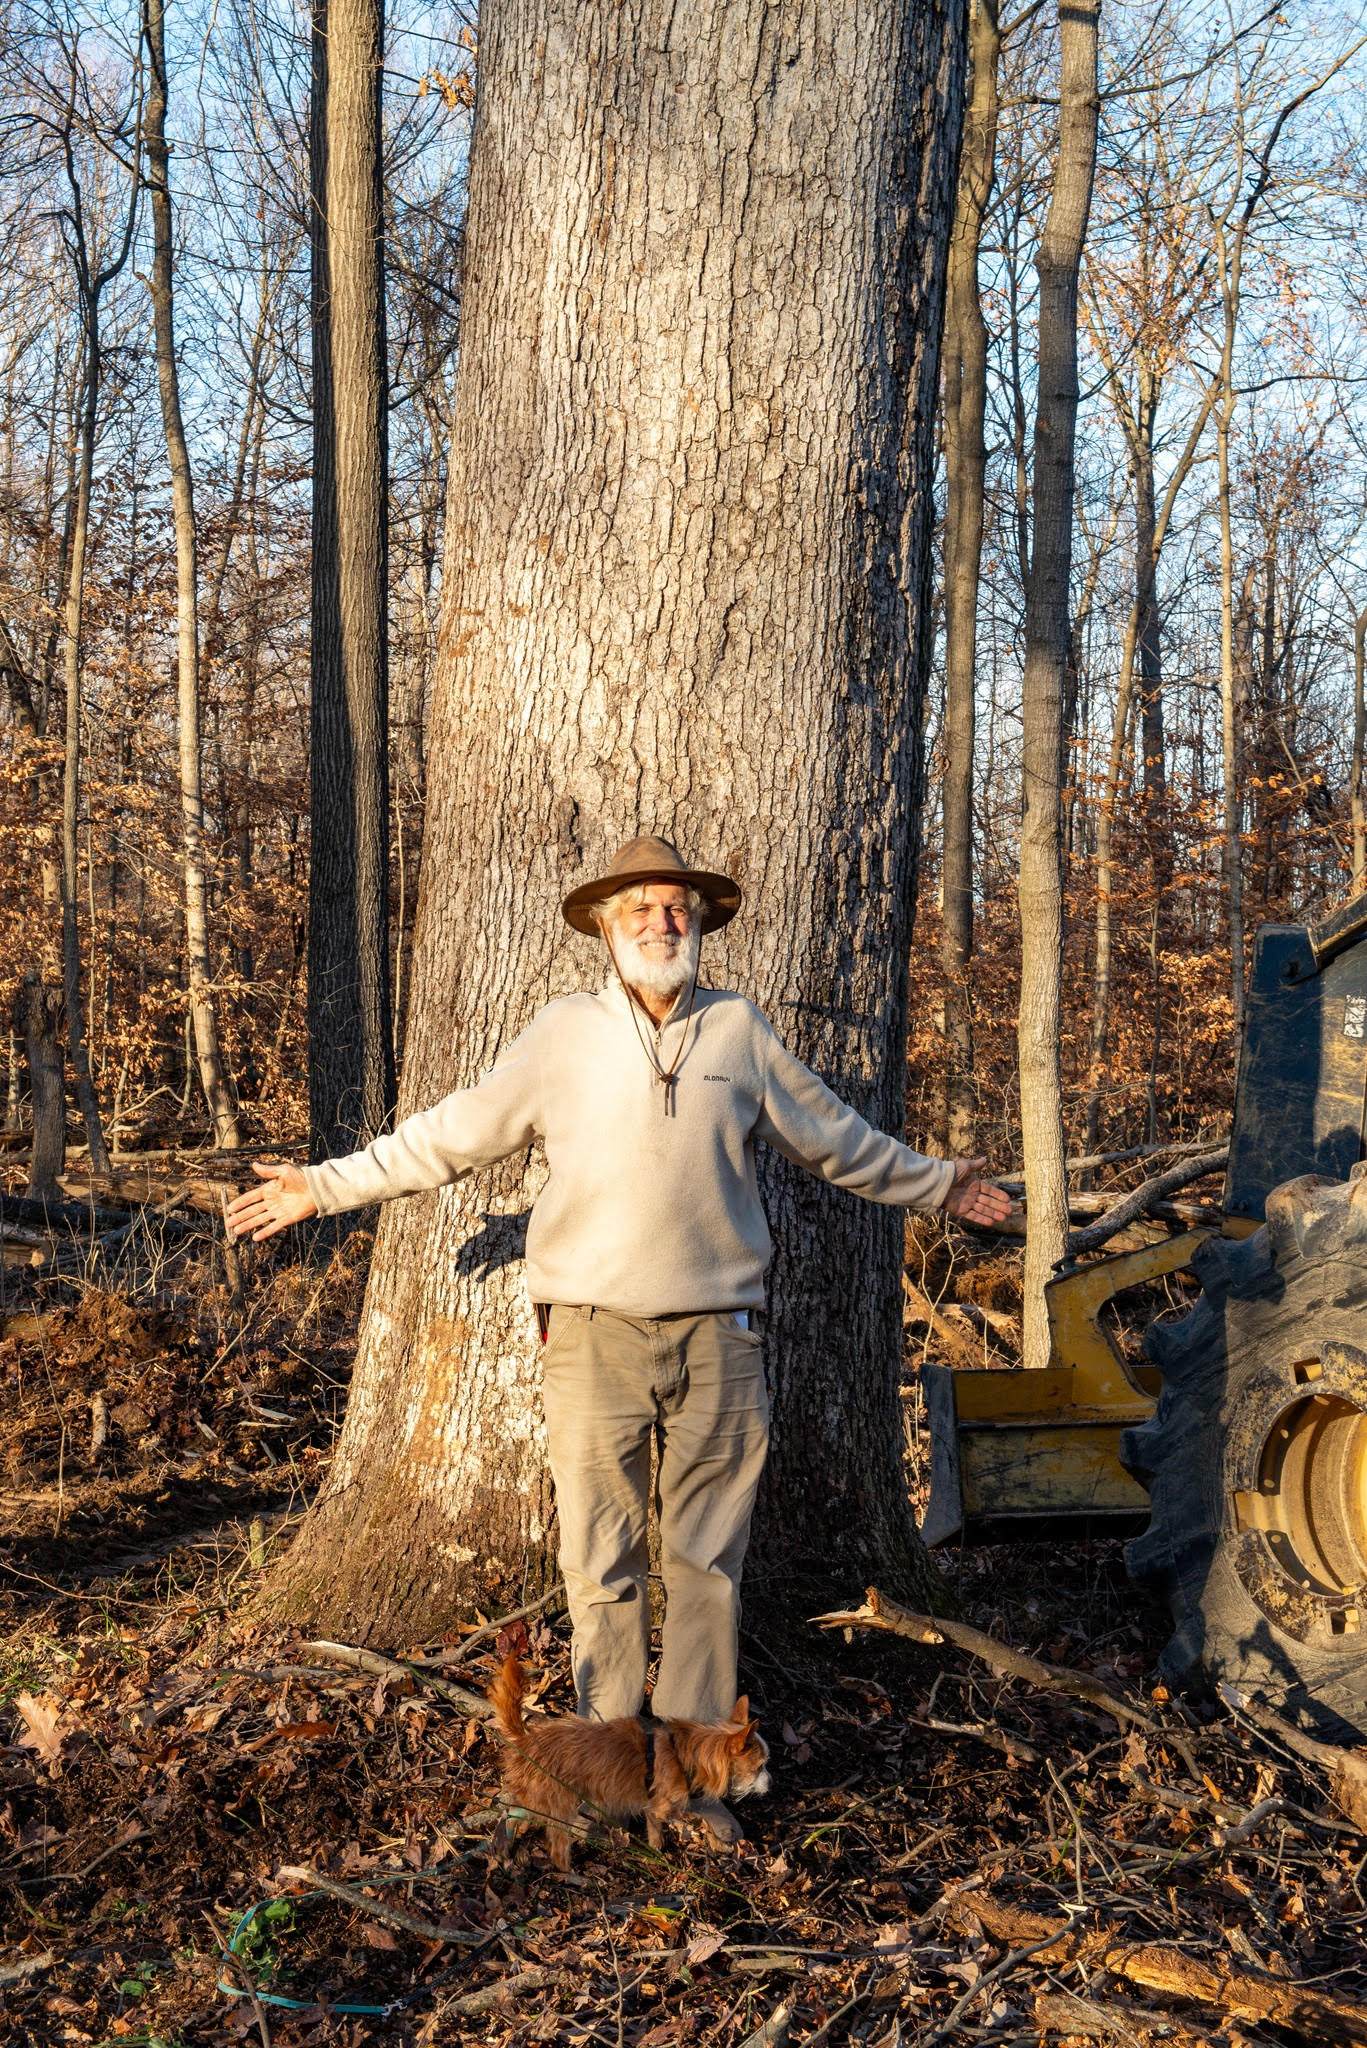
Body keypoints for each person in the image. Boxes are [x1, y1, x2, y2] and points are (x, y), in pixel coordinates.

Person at [227, 836, 1011, 1832]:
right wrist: (322, 1186)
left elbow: (834, 1138)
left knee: (706, 1566)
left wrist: (939, 1184)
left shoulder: (736, 1031)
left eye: (676, 906)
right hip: (592, 1336)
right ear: (605, 926)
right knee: (600, 1561)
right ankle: (606, 1772)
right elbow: (448, 1135)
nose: (659, 921)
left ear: (700, 921)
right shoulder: (561, 1035)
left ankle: (692, 1782)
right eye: (638, 907)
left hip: (719, 1337)